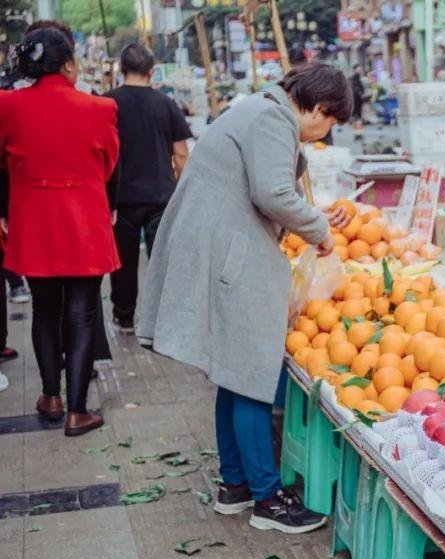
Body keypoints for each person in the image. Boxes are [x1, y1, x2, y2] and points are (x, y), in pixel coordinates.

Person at [138, 63, 352, 534]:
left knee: (233, 371)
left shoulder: (261, 109)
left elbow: (272, 184)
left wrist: (313, 215)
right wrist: (318, 230)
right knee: (253, 371)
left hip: (220, 244)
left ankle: (234, 485)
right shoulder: (274, 119)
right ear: (317, 108)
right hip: (229, 251)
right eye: (329, 125)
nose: (322, 136)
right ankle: (267, 499)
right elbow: (272, 191)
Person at [0, 27, 120, 435]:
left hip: (33, 221)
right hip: (83, 220)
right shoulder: (99, 108)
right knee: (83, 313)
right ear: (69, 64)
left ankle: (50, 395)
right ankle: (77, 410)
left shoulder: (8, 106)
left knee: (44, 308)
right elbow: (107, 164)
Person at [105, 43, 193, 334]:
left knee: (124, 261)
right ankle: (162, 319)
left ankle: (124, 316)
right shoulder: (165, 104)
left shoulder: (107, 104)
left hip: (121, 197)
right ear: (151, 71)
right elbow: (181, 153)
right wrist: (185, 191)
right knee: (162, 260)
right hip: (161, 195)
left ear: (121, 68)